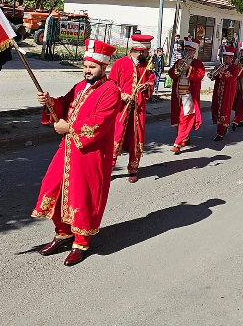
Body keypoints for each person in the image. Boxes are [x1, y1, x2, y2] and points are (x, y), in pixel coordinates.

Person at [31, 39, 120, 266]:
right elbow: (63, 104)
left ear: (103, 67)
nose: (87, 70)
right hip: (69, 148)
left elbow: (100, 122)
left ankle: (81, 242)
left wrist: (69, 127)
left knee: (83, 196)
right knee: (53, 186)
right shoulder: (80, 87)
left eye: (92, 67)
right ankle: (63, 232)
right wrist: (48, 101)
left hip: (91, 153)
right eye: (85, 66)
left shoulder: (111, 91)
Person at [110, 34, 156, 182]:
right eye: (147, 52)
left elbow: (151, 80)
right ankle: (108, 169)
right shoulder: (120, 64)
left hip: (138, 109)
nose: (148, 54)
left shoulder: (146, 66)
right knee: (116, 137)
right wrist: (121, 94)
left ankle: (133, 169)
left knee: (136, 138)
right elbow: (110, 84)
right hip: (121, 109)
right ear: (140, 51)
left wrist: (147, 85)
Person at [169, 37, 206, 154]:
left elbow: (199, 76)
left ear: (194, 52)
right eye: (186, 50)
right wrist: (176, 68)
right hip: (177, 95)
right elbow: (171, 75)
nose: (187, 53)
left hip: (188, 96)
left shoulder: (198, 63)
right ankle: (185, 137)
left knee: (185, 118)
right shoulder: (179, 61)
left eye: (190, 51)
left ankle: (177, 143)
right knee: (178, 118)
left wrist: (189, 68)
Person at [210, 46, 239, 141]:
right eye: (224, 57)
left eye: (227, 57)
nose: (225, 59)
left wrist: (223, 72)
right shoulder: (220, 66)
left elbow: (232, 78)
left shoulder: (234, 68)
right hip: (218, 91)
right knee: (216, 109)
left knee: (224, 111)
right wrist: (213, 74)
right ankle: (223, 127)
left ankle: (220, 133)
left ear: (231, 58)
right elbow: (212, 76)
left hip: (227, 92)